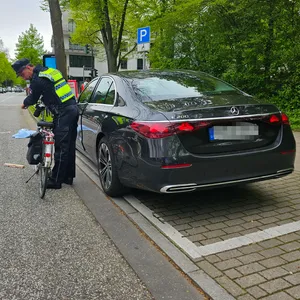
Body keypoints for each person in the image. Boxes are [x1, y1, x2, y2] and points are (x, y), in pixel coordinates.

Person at [11, 58, 79, 189]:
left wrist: (24, 103)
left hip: (63, 112)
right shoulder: (50, 71)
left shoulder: (37, 80)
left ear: (29, 67)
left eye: (22, 73)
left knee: (61, 146)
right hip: (72, 109)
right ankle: (67, 177)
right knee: (69, 146)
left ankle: (56, 180)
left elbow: (33, 97)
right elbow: (52, 90)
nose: (22, 77)